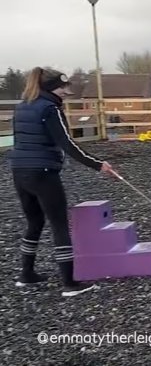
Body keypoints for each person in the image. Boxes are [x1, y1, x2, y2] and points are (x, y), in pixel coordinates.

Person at [7, 66, 118, 297]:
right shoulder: (50, 109)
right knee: (59, 225)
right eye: (64, 86)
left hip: (19, 171)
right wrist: (99, 164)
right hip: (44, 172)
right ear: (54, 88)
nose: (67, 91)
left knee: (34, 222)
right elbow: (68, 144)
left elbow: (21, 141)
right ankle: (70, 284)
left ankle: (26, 275)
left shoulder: (22, 107)